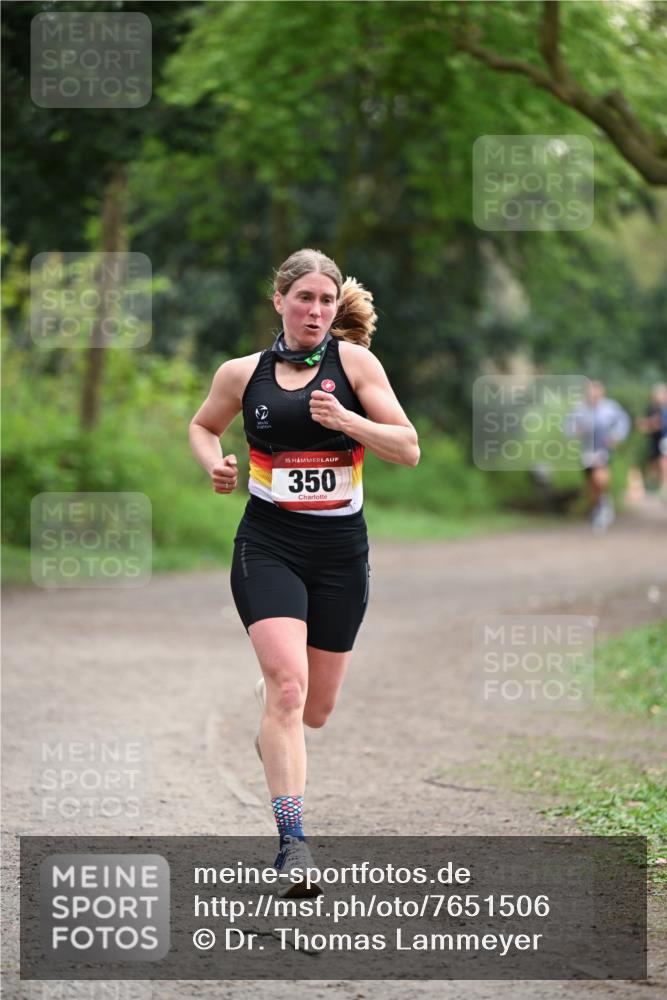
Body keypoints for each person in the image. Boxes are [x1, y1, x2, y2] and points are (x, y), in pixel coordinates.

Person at [189, 248, 419, 896]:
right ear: (279, 302)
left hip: (341, 554)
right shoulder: (242, 373)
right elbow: (203, 426)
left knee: (312, 709)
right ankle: (292, 843)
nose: (315, 310)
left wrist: (346, 420)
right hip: (267, 544)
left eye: (325, 300)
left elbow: (408, 447)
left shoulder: (356, 366)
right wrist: (216, 463)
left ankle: (276, 715)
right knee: (289, 688)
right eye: (303, 299)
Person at [565, 380, 630, 532]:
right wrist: (576, 430)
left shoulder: (610, 408)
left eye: (595, 391)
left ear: (601, 392)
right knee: (591, 485)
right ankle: (598, 507)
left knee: (600, 478)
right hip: (586, 451)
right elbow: (568, 426)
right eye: (590, 392)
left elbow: (623, 422)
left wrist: (616, 436)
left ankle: (603, 506)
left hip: (603, 449)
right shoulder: (579, 410)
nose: (593, 395)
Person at [636, 383, 667, 501]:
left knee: (664, 462)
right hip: (654, 442)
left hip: (664, 440)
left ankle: (664, 488)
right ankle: (658, 486)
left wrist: (652, 424)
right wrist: (650, 424)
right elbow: (642, 425)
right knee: (654, 468)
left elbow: (659, 425)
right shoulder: (651, 409)